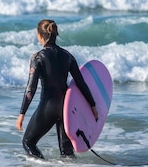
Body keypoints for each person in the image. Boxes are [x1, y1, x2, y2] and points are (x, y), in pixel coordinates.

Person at [16, 19, 99, 159]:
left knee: (28, 142)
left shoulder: (38, 57)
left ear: (40, 36)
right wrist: (93, 105)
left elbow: (31, 88)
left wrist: (21, 114)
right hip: (66, 107)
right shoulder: (68, 56)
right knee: (66, 152)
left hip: (48, 107)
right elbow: (81, 83)